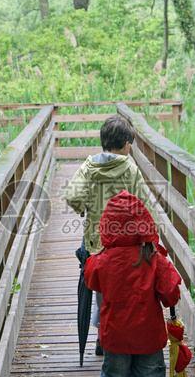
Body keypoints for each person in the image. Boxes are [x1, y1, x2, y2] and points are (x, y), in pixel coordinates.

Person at [85, 190, 181, 377]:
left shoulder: (101, 261)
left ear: (107, 227)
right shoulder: (153, 259)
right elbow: (171, 292)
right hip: (148, 335)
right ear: (144, 224)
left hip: (114, 334)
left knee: (113, 376)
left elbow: (90, 280)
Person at [64, 114, 157, 354]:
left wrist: (85, 206)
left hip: (97, 243)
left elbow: (73, 197)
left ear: (103, 142)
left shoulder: (88, 167)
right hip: (126, 245)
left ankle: (101, 337)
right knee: (125, 289)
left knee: (101, 290)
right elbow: (146, 206)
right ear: (127, 145)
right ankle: (121, 335)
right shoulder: (130, 168)